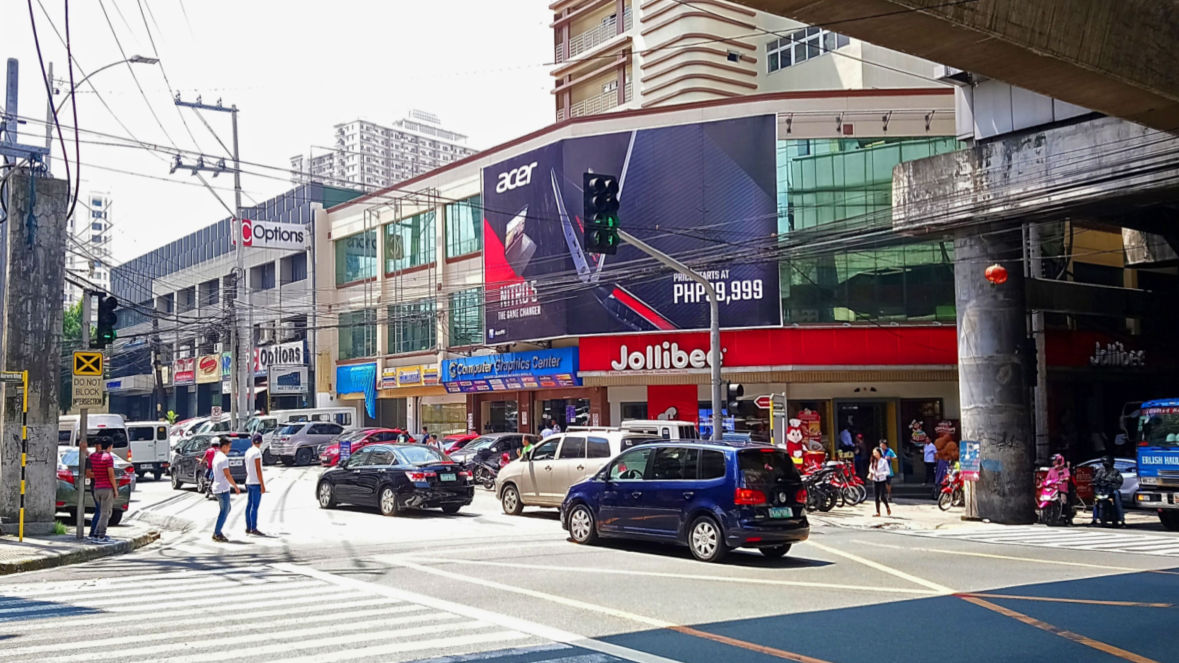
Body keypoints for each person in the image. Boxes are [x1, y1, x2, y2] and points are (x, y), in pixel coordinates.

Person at [85, 438, 118, 542]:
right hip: (106, 488)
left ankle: (95, 533)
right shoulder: (108, 458)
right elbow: (111, 475)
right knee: (105, 513)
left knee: (100, 511)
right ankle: (101, 535)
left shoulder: (94, 456)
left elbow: (88, 454)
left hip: (96, 488)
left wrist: (83, 448)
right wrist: (115, 490)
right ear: (109, 447)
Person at [211, 436, 241, 543]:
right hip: (222, 489)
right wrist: (236, 487)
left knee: (227, 509)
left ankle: (217, 532)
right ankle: (217, 533)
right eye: (228, 447)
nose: (229, 449)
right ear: (223, 447)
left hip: (218, 487)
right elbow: (227, 475)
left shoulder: (217, 456)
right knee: (224, 511)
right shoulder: (223, 459)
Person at [1091, 456, 1125, 527]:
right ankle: (1094, 519)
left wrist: (1113, 484)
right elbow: (1096, 479)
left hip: (1111, 490)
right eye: (1104, 462)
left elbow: (1120, 481)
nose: (1106, 463)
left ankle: (1122, 520)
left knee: (1117, 497)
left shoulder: (1115, 472)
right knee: (1095, 501)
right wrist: (1095, 482)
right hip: (1102, 490)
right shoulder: (1100, 471)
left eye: (1107, 462)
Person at [244, 433, 266, 536]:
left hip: (249, 480)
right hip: (256, 482)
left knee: (249, 505)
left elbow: (248, 468)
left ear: (252, 441)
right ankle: (254, 527)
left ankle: (248, 527)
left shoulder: (248, 451)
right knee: (255, 506)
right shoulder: (257, 452)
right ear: (260, 442)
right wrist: (262, 484)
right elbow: (258, 469)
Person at [869, 448, 891, 517]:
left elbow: (888, 471)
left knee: (882, 496)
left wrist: (881, 473)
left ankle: (887, 507)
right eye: (873, 453)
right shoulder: (873, 460)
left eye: (875, 453)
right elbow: (870, 468)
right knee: (876, 496)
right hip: (875, 480)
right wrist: (873, 472)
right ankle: (878, 512)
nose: (874, 454)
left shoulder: (883, 461)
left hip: (882, 480)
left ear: (879, 453)